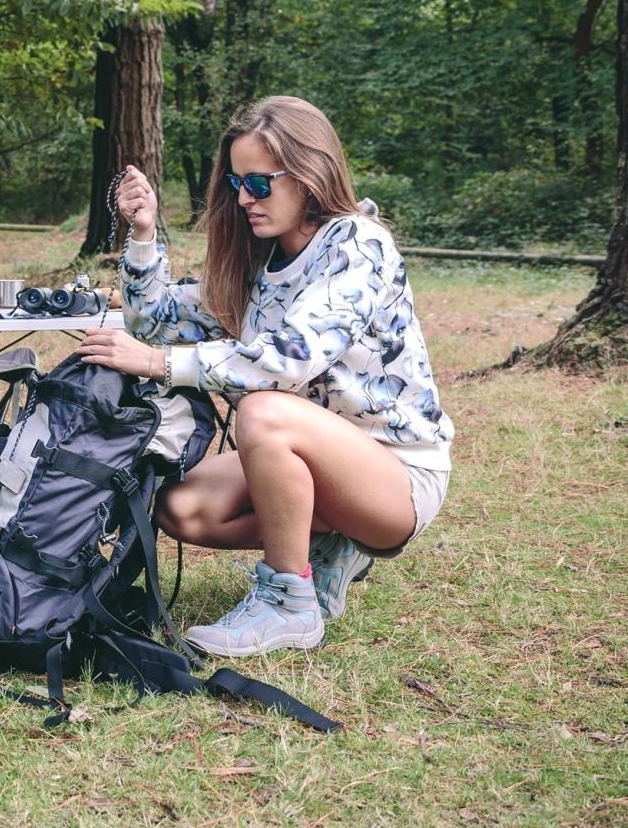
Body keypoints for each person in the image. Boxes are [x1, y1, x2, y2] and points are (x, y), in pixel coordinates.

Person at [77, 96, 451, 656]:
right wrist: (143, 233)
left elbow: (286, 360)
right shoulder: (259, 260)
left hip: (397, 474)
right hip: (311, 453)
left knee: (262, 409)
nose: (245, 199)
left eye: (260, 183)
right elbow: (152, 321)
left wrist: (159, 365)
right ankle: (330, 543)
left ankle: (287, 603)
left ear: (309, 173)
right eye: (236, 184)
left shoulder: (358, 245)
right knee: (182, 509)